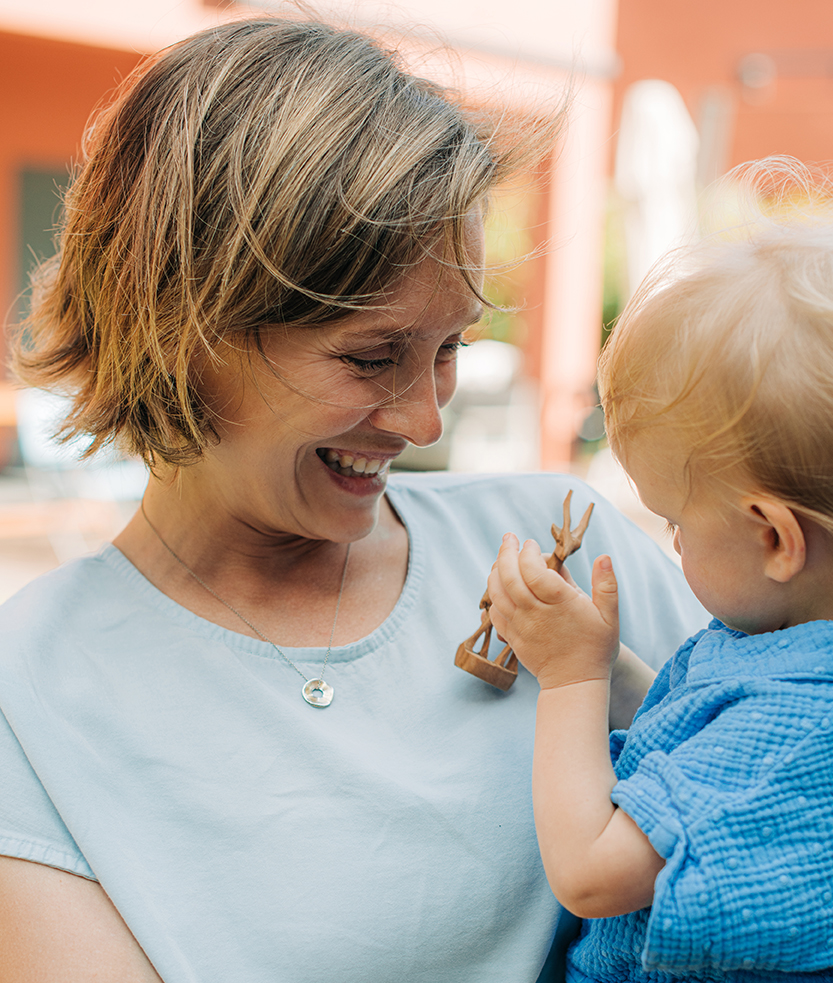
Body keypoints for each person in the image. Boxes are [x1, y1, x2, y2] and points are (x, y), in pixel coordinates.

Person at [0, 15, 709, 983]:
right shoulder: (29, 692)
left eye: (450, 347)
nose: (426, 421)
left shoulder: (565, 546)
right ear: (179, 321)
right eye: (372, 356)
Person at [486, 163, 833, 983]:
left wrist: (568, 677)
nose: (668, 541)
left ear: (775, 537)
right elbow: (698, 716)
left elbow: (594, 873)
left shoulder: (797, 731)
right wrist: (605, 661)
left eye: (675, 519)